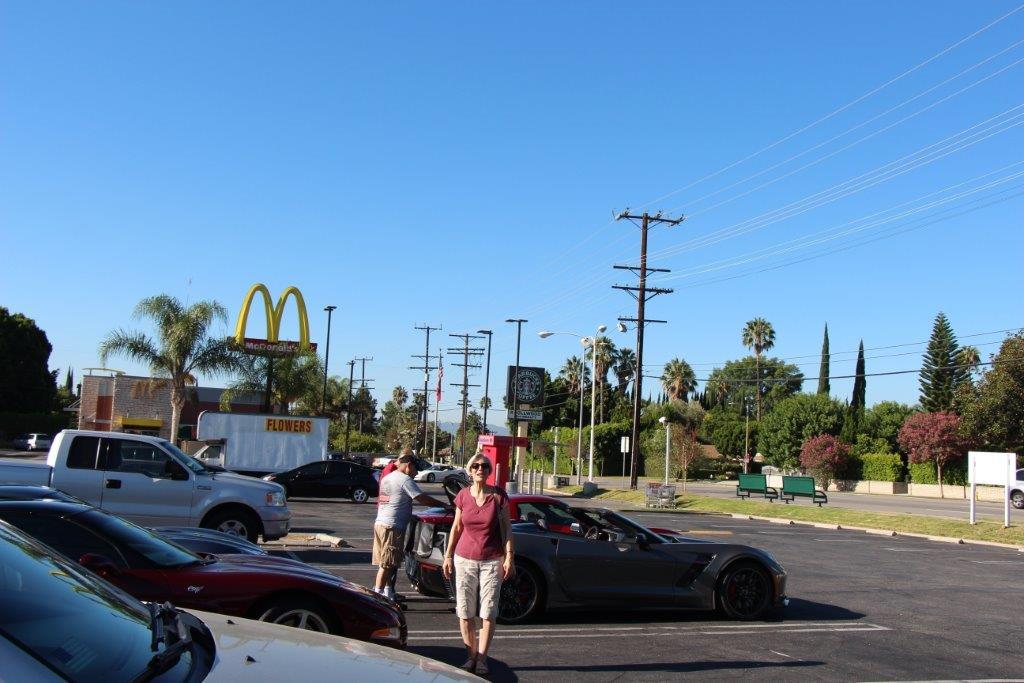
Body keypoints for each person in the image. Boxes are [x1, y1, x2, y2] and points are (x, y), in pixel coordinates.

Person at [442, 454, 514, 676]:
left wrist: (509, 557)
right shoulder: (463, 496)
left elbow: (507, 530)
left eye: (484, 466)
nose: (480, 469)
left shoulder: (499, 497)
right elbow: (456, 527)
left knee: (488, 611)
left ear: (489, 470)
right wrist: (448, 555)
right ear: (470, 471)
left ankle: (482, 658)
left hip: (492, 560)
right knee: (465, 611)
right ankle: (471, 656)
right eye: (475, 466)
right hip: (464, 560)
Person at [373, 454, 446, 600]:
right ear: (409, 466)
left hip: (380, 523)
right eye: (415, 469)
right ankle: (377, 595)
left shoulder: (388, 477)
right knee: (386, 564)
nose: (416, 473)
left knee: (388, 562)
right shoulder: (404, 480)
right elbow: (422, 499)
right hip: (392, 527)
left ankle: (388, 592)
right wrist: (445, 505)